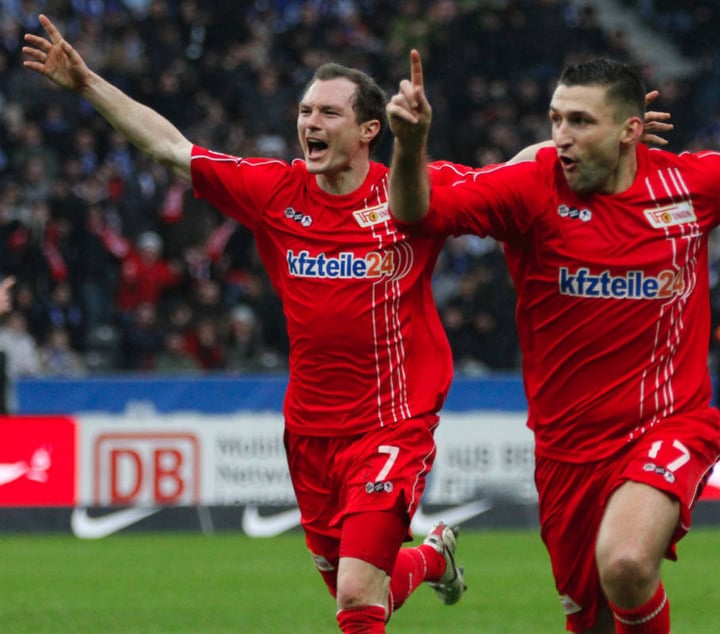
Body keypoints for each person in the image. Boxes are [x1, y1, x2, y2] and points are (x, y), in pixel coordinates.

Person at [386, 52, 720, 633]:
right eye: (555, 120)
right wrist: (410, 144)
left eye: (580, 121)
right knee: (592, 618)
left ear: (629, 129)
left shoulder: (688, 183)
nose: (561, 138)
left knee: (625, 562)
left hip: (669, 425)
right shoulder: (529, 188)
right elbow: (416, 213)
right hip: (566, 452)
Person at [23, 15, 465, 634]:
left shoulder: (409, 195)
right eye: (305, 110)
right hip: (309, 432)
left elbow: (518, 174)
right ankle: (432, 558)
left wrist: (599, 149)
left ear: (370, 130)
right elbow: (170, 148)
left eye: (328, 113)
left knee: (357, 602)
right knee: (358, 587)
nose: (309, 122)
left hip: (391, 426)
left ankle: (417, 561)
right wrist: (88, 82)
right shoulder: (275, 191)